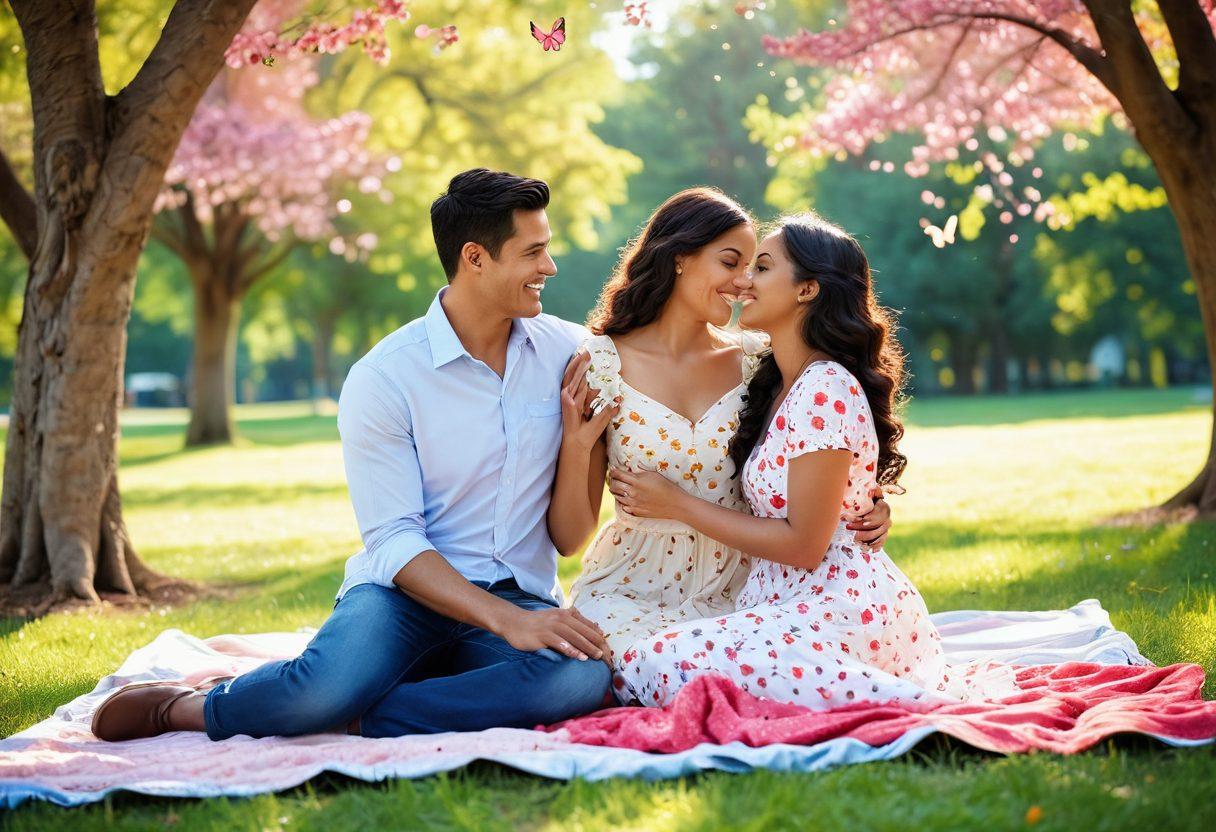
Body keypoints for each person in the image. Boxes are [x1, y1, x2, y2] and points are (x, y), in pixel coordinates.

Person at [91, 169, 614, 742]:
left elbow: (569, 541)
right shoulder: (386, 377)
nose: (550, 267)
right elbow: (393, 540)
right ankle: (188, 708)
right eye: (533, 251)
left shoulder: (571, 354)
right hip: (403, 596)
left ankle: (361, 714)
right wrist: (506, 622)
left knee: (579, 679)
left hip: (517, 591)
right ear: (475, 258)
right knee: (320, 686)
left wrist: (577, 447)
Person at [606, 213, 1013, 708]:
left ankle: (896, 702)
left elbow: (804, 545)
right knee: (647, 665)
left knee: (654, 664)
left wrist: (676, 504)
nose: (743, 282)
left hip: (837, 606)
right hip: (790, 604)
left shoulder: (824, 387)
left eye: (761, 268)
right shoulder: (775, 380)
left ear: (807, 290)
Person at [550, 191, 892, 701]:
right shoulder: (602, 366)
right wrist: (576, 450)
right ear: (679, 258)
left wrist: (866, 506)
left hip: (748, 588)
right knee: (625, 671)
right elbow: (570, 538)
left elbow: (823, 446)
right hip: (631, 586)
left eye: (754, 266)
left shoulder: (760, 359)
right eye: (730, 262)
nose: (742, 282)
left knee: (722, 685)